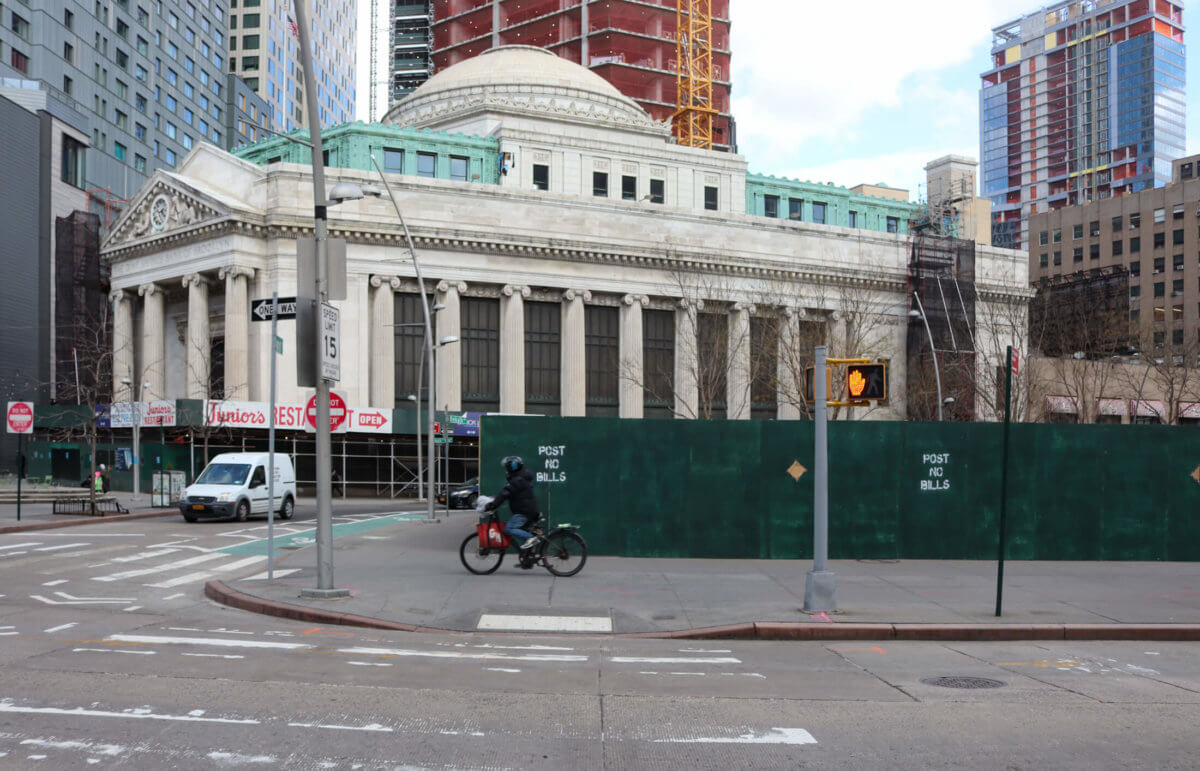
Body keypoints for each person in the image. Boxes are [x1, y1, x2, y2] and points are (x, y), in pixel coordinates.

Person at [484, 455, 542, 555]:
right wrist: (494, 499)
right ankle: (528, 555)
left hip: (524, 512)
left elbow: (505, 493)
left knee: (508, 529)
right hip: (527, 510)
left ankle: (532, 539)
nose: (506, 471)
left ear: (512, 467)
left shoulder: (517, 480)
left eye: (507, 467)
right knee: (519, 529)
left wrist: (493, 505)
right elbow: (505, 493)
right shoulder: (520, 478)